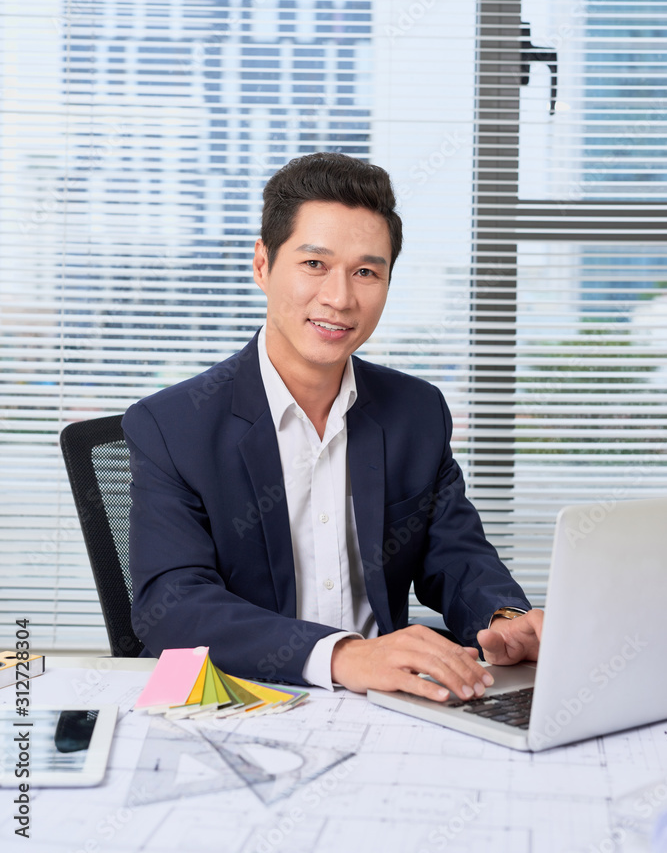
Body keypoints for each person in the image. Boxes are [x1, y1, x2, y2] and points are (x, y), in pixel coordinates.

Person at [123, 152, 543, 704]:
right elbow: (172, 603)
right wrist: (345, 656)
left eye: (367, 271)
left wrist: (504, 618)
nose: (341, 299)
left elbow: (457, 556)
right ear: (262, 265)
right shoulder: (173, 425)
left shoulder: (416, 411)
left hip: (396, 703)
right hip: (249, 699)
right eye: (314, 264)